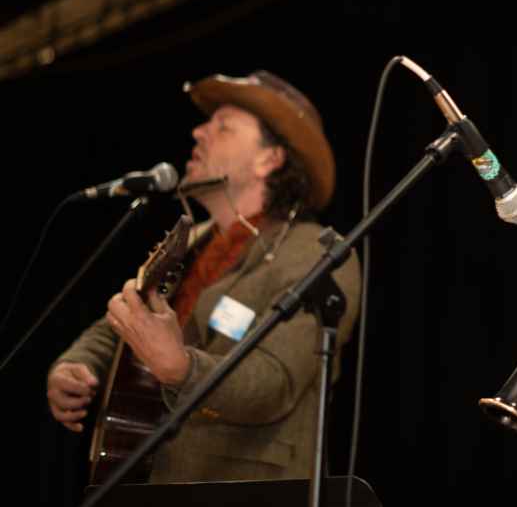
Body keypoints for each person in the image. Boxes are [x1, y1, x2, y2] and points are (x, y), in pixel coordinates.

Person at [46, 70, 361, 483]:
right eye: (206, 123)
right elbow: (117, 327)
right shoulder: (191, 240)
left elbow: (275, 382)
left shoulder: (317, 252)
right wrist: (76, 364)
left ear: (270, 158)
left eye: (223, 127)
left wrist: (181, 367)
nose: (198, 132)